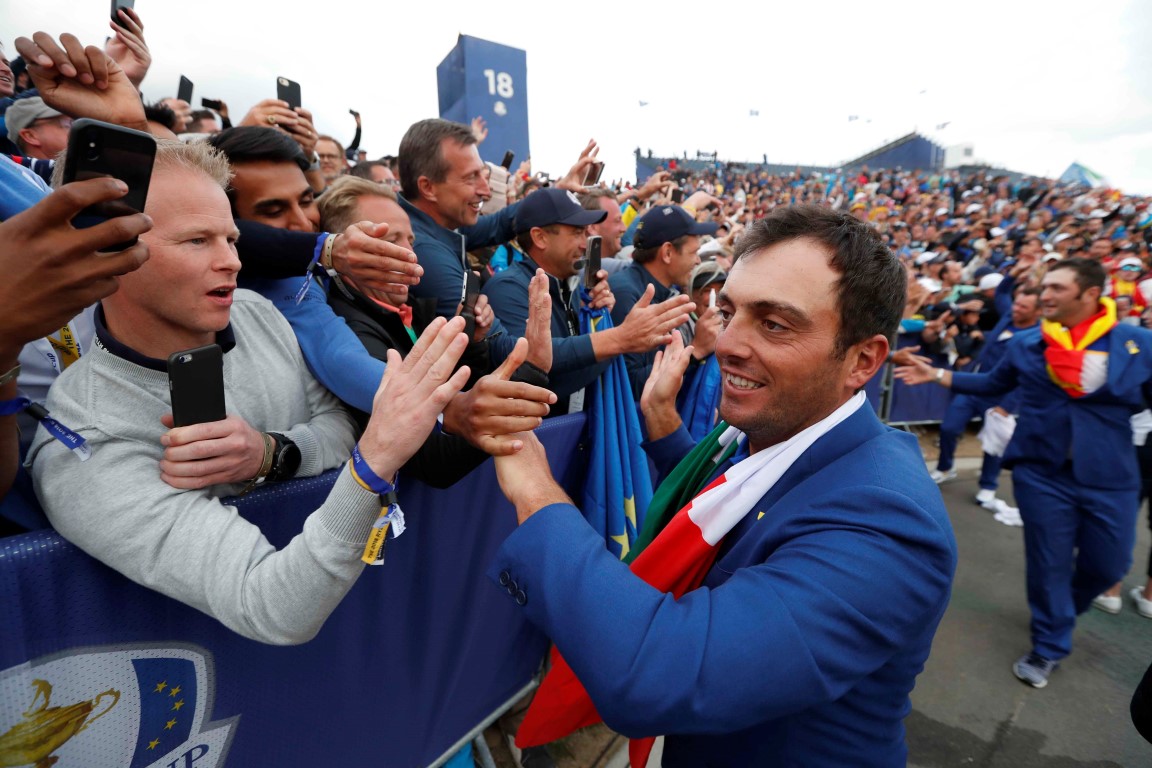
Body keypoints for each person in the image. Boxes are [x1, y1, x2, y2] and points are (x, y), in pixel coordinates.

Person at [489, 205, 957, 765]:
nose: (729, 342)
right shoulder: (783, 427)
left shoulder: (887, 523)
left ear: (862, 361)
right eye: (729, 311)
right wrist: (664, 427)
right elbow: (736, 508)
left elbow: (656, 675)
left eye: (775, 324)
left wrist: (536, 494)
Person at [27, 138, 474, 644]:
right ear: (109, 253)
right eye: (197, 241)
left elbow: (337, 426)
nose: (232, 263)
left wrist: (270, 453)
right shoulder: (84, 440)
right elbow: (273, 607)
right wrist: (376, 461)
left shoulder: (258, 314)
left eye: (232, 240)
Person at [896, 256, 1152, 688]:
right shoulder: (1027, 344)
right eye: (1043, 286)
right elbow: (992, 384)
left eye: (1056, 288)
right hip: (1042, 472)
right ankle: (1050, 643)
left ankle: (1061, 611)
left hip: (1112, 475)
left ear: (1091, 293)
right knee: (1049, 564)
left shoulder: (1137, 343)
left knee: (1109, 566)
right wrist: (937, 374)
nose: (1045, 295)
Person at [320, 176, 556, 486]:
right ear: (345, 251)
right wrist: (532, 369)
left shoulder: (413, 309)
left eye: (411, 241)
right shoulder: (347, 333)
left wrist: (472, 344)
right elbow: (434, 457)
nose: (411, 255)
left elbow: (459, 399)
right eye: (391, 241)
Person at [482, 187, 693, 415]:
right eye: (576, 233)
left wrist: (596, 319)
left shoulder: (571, 287)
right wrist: (620, 337)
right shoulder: (507, 288)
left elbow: (576, 372)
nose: (586, 243)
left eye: (585, 232)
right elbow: (529, 362)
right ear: (540, 237)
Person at [608, 203, 720, 396]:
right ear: (667, 253)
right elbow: (628, 386)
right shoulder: (626, 295)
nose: (698, 261)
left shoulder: (664, 291)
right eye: (693, 253)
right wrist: (696, 350)